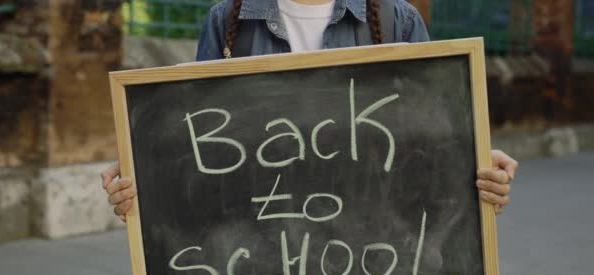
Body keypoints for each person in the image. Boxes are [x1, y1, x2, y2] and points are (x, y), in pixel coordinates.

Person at [102, 0, 518, 221]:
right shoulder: (227, 20)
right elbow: (200, 148)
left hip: (377, 261)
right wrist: (149, 176)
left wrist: (474, 164)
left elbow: (428, 140)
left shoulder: (398, 20)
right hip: (253, 265)